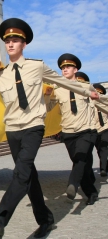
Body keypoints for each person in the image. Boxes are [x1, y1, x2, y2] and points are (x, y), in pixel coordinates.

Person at [0, 18, 99, 238]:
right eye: (7, 41)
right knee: (28, 176)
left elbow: (64, 82)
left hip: (33, 126)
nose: (10, 44)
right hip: (12, 129)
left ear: (24, 44)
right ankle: (46, 220)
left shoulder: (36, 66)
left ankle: (1, 218)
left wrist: (89, 92)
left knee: (21, 171)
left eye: (15, 40)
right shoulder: (1, 75)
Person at [46, 54, 99, 206]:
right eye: (62, 68)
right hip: (68, 132)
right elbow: (49, 108)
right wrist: (48, 96)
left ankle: (72, 185)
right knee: (79, 162)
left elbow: (98, 102)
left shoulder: (86, 86)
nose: (64, 70)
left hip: (86, 130)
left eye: (68, 67)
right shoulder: (57, 89)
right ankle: (91, 192)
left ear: (75, 69)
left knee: (81, 159)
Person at [93, 83, 108, 176]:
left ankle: (103, 169)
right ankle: (105, 165)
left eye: (99, 92)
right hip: (95, 129)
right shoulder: (91, 104)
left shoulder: (105, 104)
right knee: (99, 149)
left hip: (105, 128)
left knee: (104, 147)